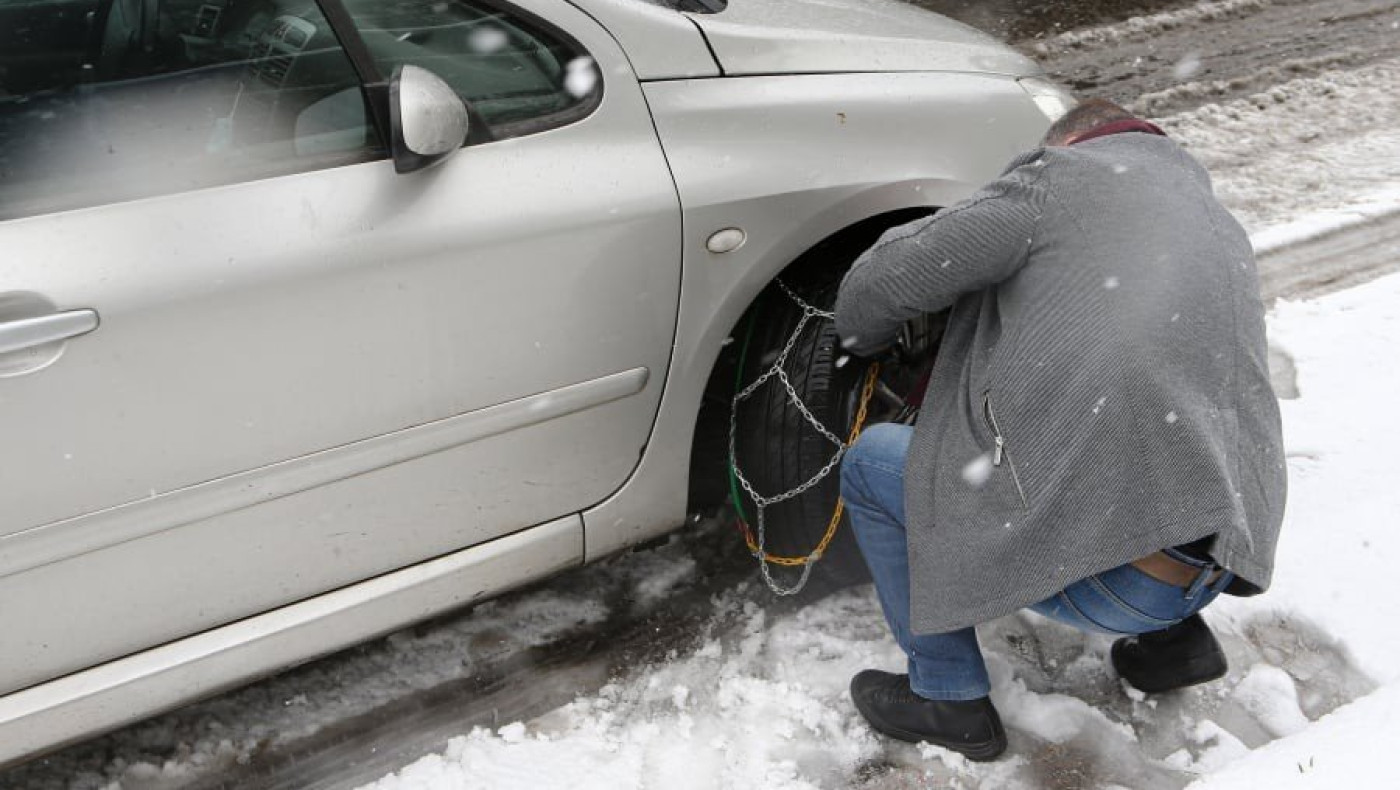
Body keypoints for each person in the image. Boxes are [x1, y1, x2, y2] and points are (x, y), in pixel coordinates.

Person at [832, 98, 1286, 761]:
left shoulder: (1056, 178)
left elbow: (885, 280)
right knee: (1160, 409)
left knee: (871, 465)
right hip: (1217, 559)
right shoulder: (1212, 222)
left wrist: (860, 339)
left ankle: (946, 695)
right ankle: (1173, 644)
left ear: (1071, 141)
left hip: (1118, 582)